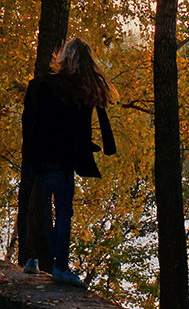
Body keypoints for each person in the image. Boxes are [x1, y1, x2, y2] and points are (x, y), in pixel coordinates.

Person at [19, 38, 116, 286]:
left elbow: (28, 121)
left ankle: (33, 257)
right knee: (63, 212)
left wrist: (30, 151)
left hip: (39, 155)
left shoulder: (41, 85)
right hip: (65, 159)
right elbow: (84, 129)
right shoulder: (85, 90)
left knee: (37, 206)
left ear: (63, 58)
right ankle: (59, 265)